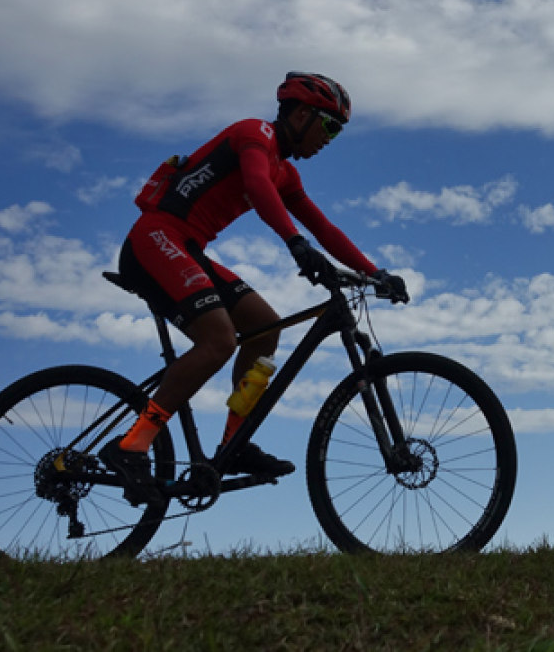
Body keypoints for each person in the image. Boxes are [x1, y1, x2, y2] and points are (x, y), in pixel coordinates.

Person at [101, 72, 410, 504]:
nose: (330, 139)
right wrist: (294, 243)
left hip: (188, 249)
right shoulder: (254, 134)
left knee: (265, 328)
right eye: (329, 127)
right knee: (219, 340)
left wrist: (375, 272)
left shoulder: (286, 173)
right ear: (302, 114)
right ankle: (133, 443)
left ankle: (234, 442)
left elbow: (323, 226)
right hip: (155, 238)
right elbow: (255, 185)